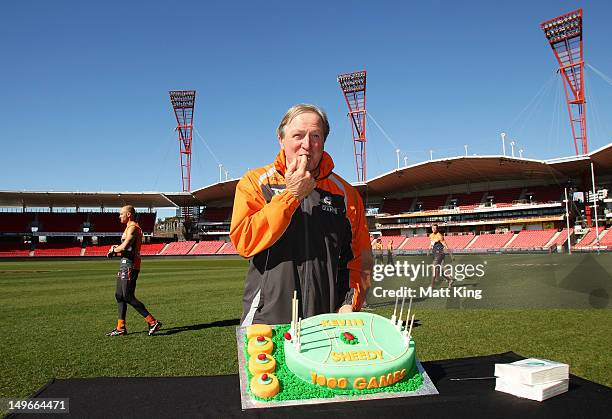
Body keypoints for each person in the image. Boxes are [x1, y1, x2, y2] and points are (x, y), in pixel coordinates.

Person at [230, 103, 373, 326]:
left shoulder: (346, 194)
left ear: (323, 142)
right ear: (281, 139)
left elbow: (361, 259)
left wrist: (349, 303)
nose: (307, 145)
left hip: (327, 321)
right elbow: (244, 241)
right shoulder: (256, 182)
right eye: (298, 135)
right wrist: (292, 196)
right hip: (266, 321)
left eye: (315, 136)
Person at [106, 205, 162, 336]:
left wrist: (114, 249)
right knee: (119, 296)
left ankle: (153, 322)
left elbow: (125, 246)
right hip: (124, 264)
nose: (119, 216)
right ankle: (120, 328)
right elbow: (124, 247)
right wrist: (114, 248)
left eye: (121, 214)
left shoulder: (133, 228)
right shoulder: (128, 228)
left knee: (128, 296)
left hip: (131, 265)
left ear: (129, 214)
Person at [429, 224, 453, 288]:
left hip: (439, 254)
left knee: (434, 269)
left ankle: (432, 285)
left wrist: (451, 255)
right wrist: (428, 251)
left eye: (435, 228)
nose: (433, 229)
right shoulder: (431, 235)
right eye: (432, 228)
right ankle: (450, 280)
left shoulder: (440, 236)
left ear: (437, 229)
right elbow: (431, 244)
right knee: (441, 271)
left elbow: (446, 245)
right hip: (435, 254)